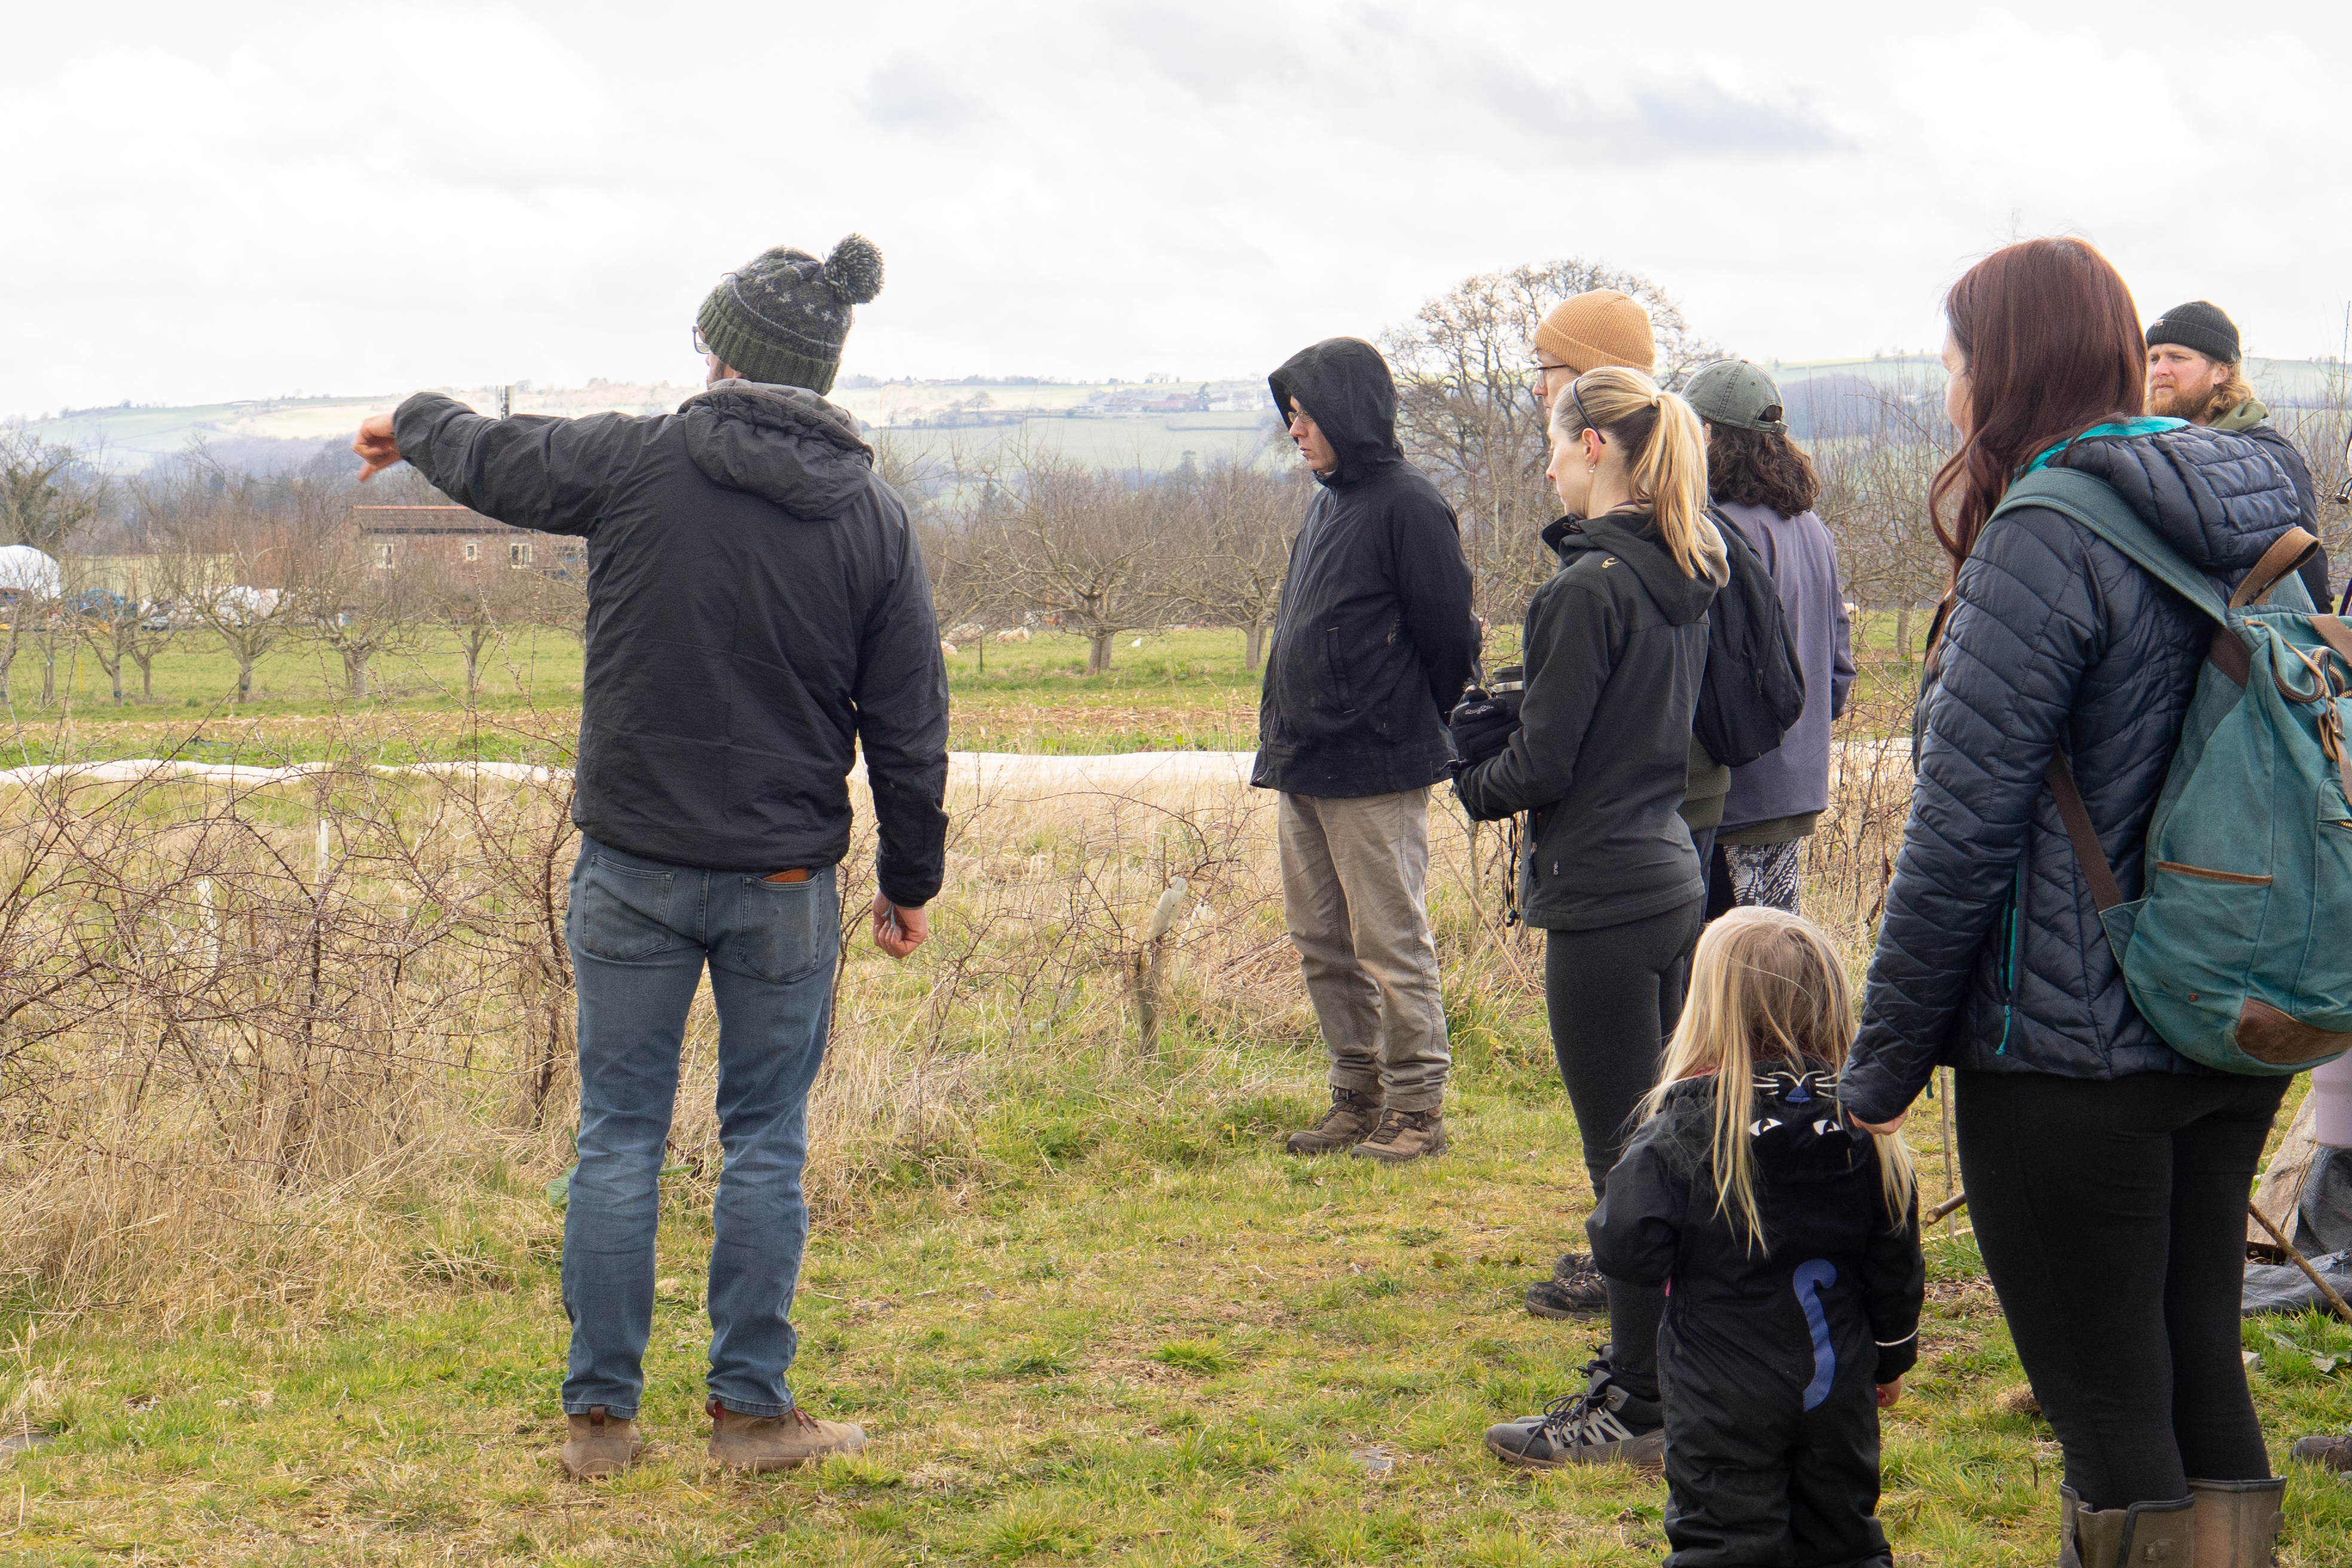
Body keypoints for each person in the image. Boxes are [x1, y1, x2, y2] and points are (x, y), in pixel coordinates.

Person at [350, 236, 948, 1480]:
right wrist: (908, 882)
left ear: (724, 353)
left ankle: (602, 1423)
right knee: (765, 1139)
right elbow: (909, 723)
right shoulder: (872, 518)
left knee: (619, 1133)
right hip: (784, 878)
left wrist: (412, 420)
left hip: (631, 862)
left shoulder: (634, 461)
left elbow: (497, 457)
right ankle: (752, 1415)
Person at [1839, 238, 2299, 1566]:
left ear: (2003, 366)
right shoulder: (2256, 508)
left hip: (2069, 1043)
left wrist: (1878, 1071)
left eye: (1953, 359)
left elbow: (1960, 831)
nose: (1945, 387)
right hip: (2230, 1009)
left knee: (2110, 1410)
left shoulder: (2045, 533)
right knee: (2197, 1363)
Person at [1456, 366, 1725, 1466]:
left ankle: (1638, 1404)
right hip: (1670, 875)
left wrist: (1468, 769)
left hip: (1603, 894)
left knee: (1623, 1164)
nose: (1549, 466)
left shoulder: (1584, 587)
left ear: (1599, 446)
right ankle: (1687, 1367)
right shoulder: (1686, 567)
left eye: (1557, 445)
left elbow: (1547, 762)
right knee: (1673, 1144)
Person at [1570, 908, 1922, 1564]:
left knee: (1724, 1541)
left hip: (1720, 1390)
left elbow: (1625, 1244)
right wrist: (1892, 1360)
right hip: (1835, 1380)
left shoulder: (1689, 1124)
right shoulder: (1865, 1132)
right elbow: (1895, 1262)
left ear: (1707, 1011)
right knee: (1842, 1534)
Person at [1258, 337, 1478, 1164]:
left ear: (1347, 413)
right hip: (1303, 760)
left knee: (1389, 941)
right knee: (1321, 940)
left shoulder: (1410, 504)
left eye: (1306, 414)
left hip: (1377, 764)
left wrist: (1401, 718)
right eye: (1289, 415)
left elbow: (1449, 639)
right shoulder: (1327, 504)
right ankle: (1357, 1094)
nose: (1295, 430)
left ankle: (1417, 1105)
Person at [1682, 360, 1855, 915]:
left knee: (1733, 959)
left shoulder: (1714, 534)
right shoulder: (1815, 530)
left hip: (1736, 796)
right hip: (1796, 789)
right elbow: (1839, 673)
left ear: (1708, 436)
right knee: (1774, 949)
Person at [2145, 299, 2332, 605]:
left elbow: (2305, 569)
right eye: (2153, 358)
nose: (2160, 370)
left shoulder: (2268, 455)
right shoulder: (2145, 452)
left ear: (2221, 371)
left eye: (2177, 357)